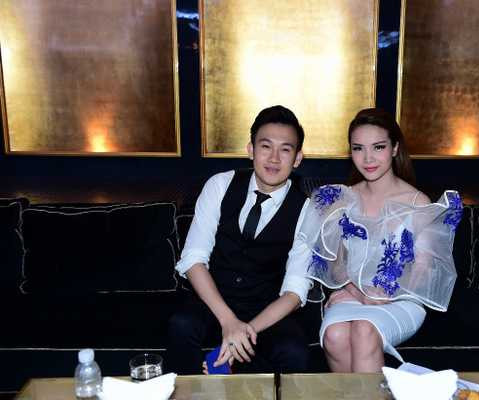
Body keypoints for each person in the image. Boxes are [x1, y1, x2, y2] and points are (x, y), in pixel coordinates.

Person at [285, 108, 463, 372]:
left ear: (394, 148)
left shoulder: (418, 202)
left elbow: (422, 270)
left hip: (400, 299)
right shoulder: (342, 199)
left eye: (378, 147)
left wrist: (379, 296)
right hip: (353, 294)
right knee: (334, 335)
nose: (368, 158)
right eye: (358, 148)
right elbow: (336, 265)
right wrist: (358, 293)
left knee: (364, 330)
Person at [168, 105, 313, 374]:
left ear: (297, 158)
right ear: (250, 150)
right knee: (181, 325)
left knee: (294, 352)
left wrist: (244, 332)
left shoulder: (307, 209)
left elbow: (295, 291)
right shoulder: (220, 185)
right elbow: (193, 260)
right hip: (213, 298)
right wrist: (228, 321)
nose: (274, 158)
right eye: (265, 146)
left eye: (285, 149)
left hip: (266, 308)